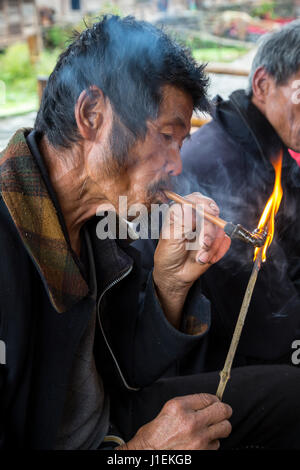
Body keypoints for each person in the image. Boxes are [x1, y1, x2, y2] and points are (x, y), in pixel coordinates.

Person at [1, 15, 300, 451]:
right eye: (166, 136)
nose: (178, 165)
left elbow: (128, 369)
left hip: (112, 415)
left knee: (291, 396)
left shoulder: (97, 222)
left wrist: (171, 284)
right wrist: (142, 455)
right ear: (91, 114)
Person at [180, 20, 300, 371]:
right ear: (263, 84)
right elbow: (268, 314)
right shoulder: (224, 165)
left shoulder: (267, 148)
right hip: (221, 364)